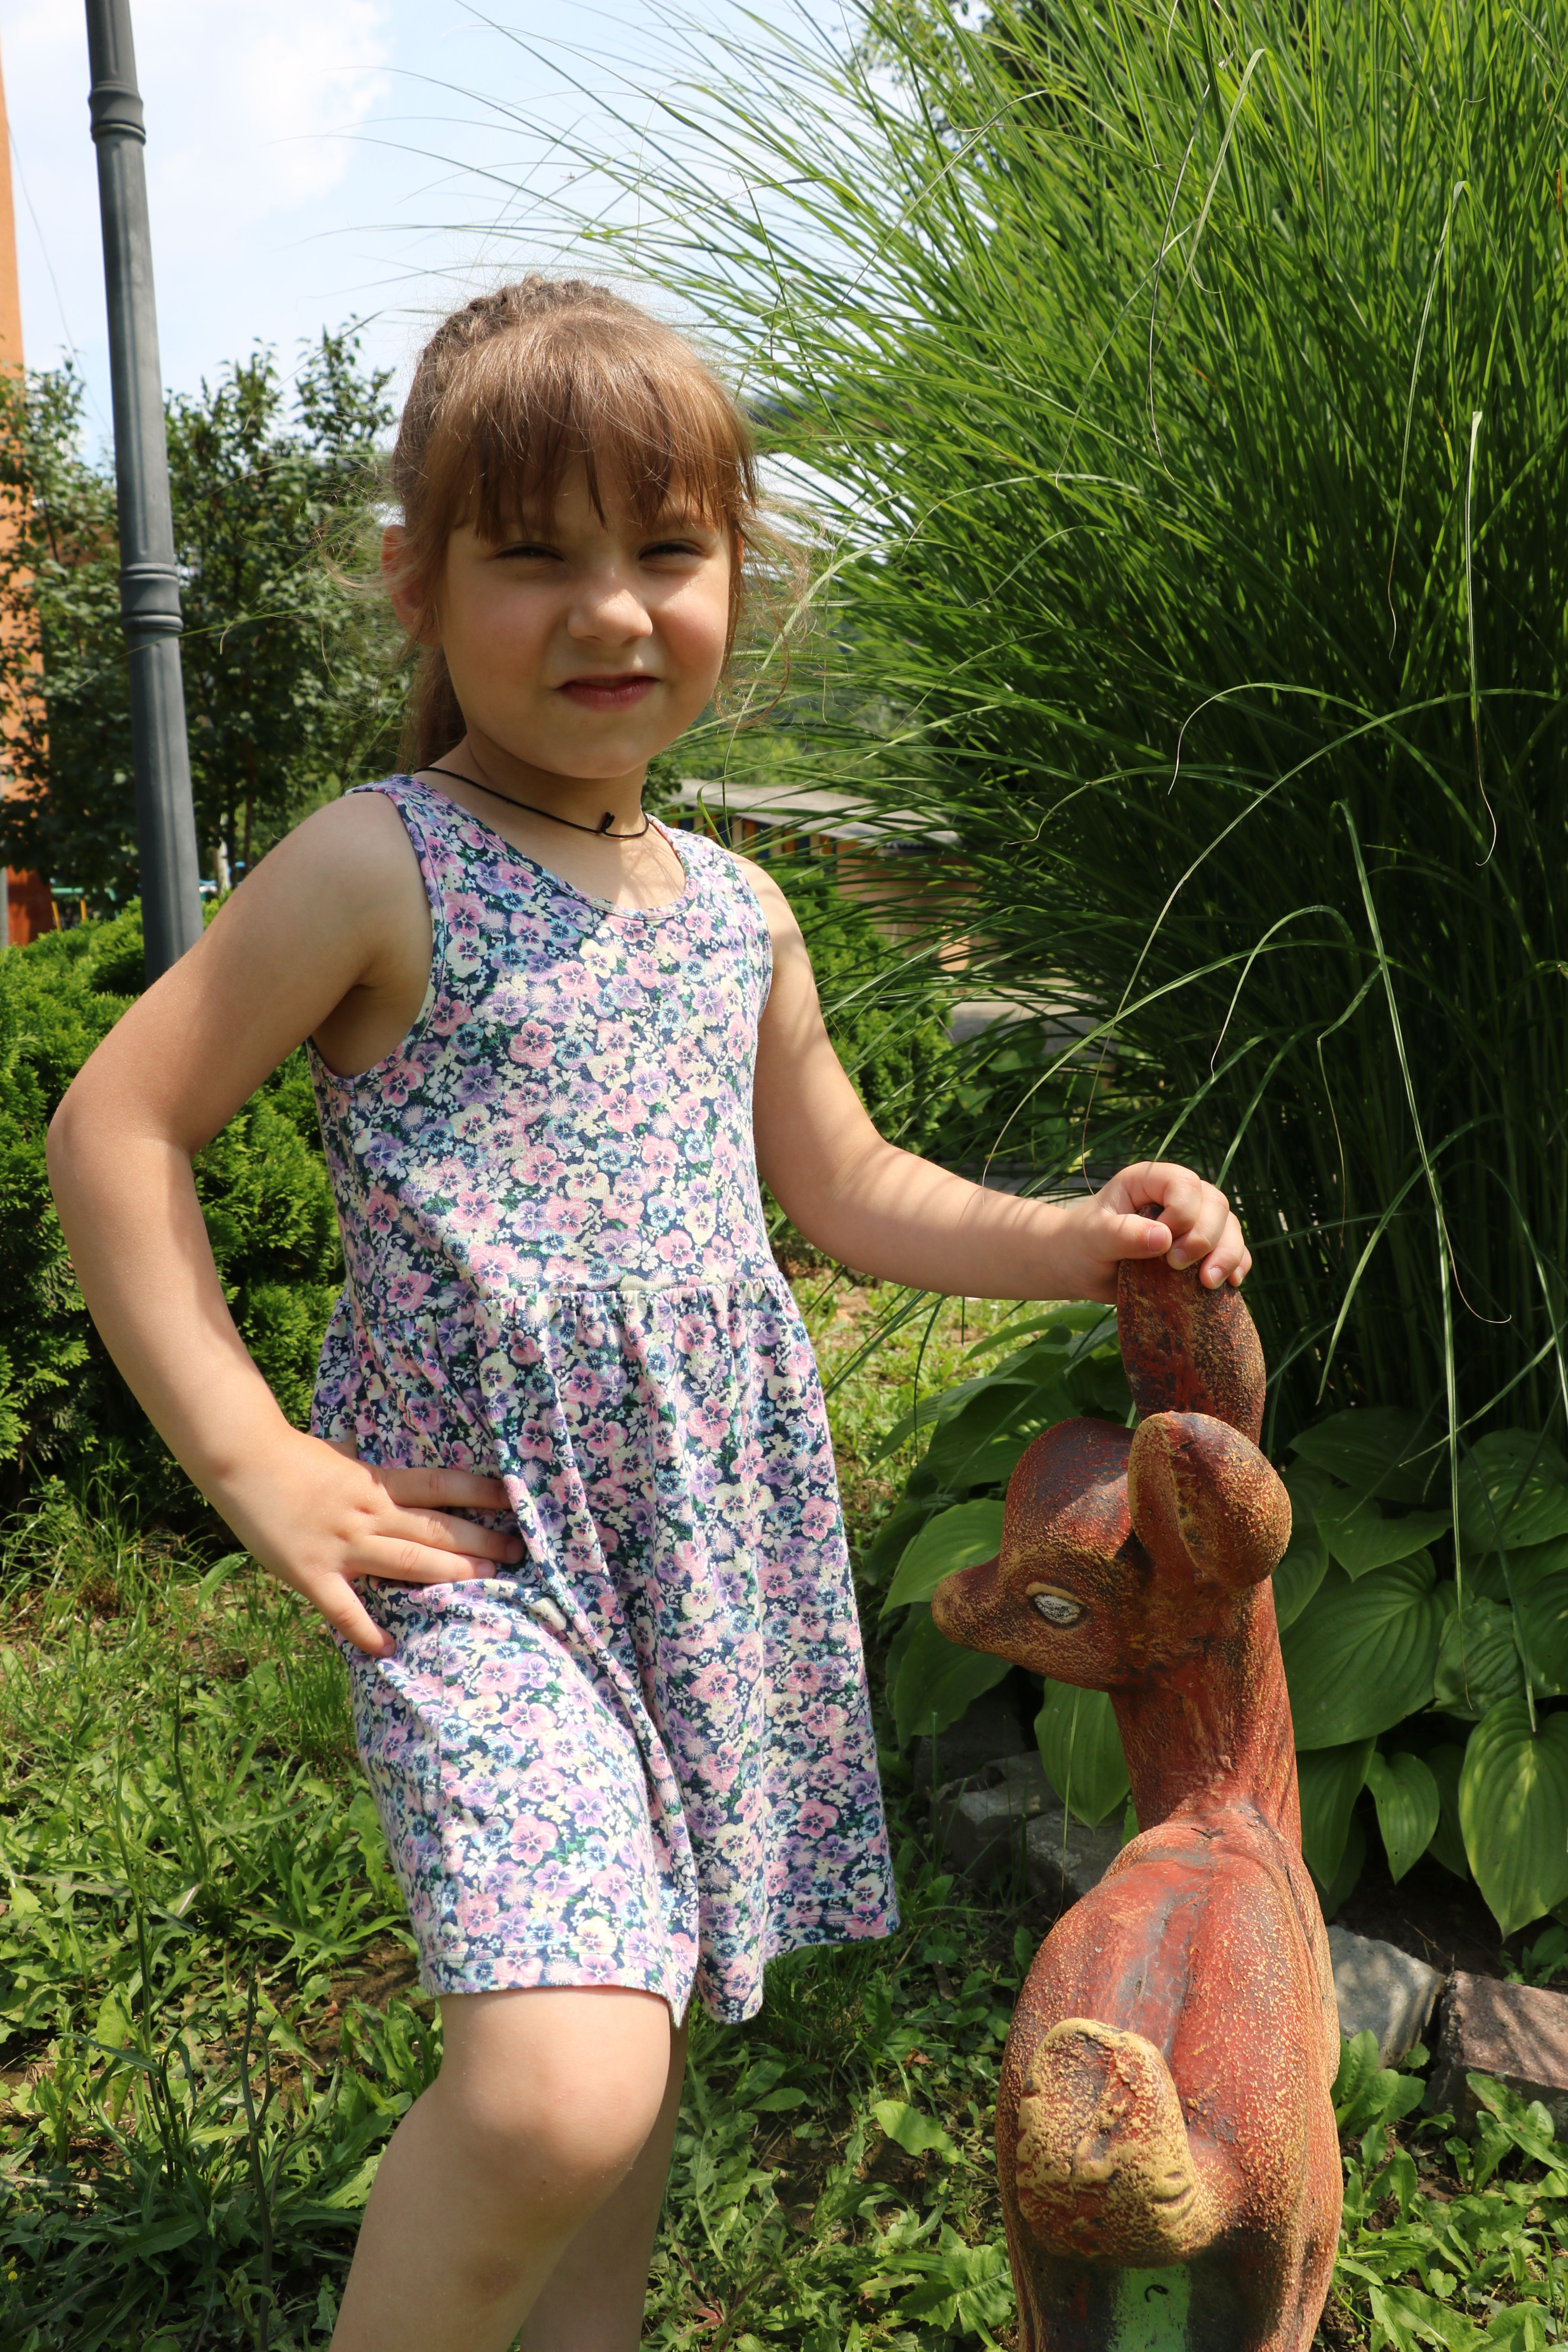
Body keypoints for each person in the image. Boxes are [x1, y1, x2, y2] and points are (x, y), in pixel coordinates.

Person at [47, 278, 1251, 2352]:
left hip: (700, 1552)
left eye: (667, 549)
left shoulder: (740, 910)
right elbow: (118, 1127)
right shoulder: (380, 864)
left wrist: (1078, 1236)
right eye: (535, 554)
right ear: (419, 584)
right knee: (558, 2082)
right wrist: (255, 1462)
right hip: (489, 1555)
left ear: (737, 578)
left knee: (637, 2017)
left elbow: (848, 1188)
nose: (610, 609)